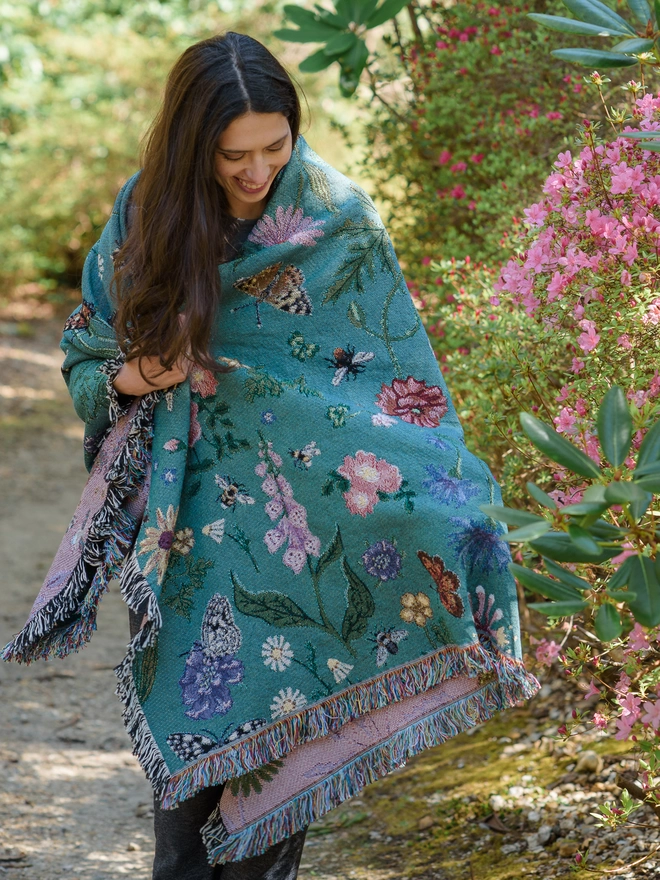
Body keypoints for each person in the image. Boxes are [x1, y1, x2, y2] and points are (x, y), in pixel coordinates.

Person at [3, 30, 539, 880]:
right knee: (189, 764)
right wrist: (146, 372)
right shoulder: (149, 212)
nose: (255, 173)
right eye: (231, 155)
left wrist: (454, 506)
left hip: (312, 530)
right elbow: (84, 355)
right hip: (191, 518)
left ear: (296, 129)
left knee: (277, 757)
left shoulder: (339, 220)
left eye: (273, 148)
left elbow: (401, 389)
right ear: (193, 145)